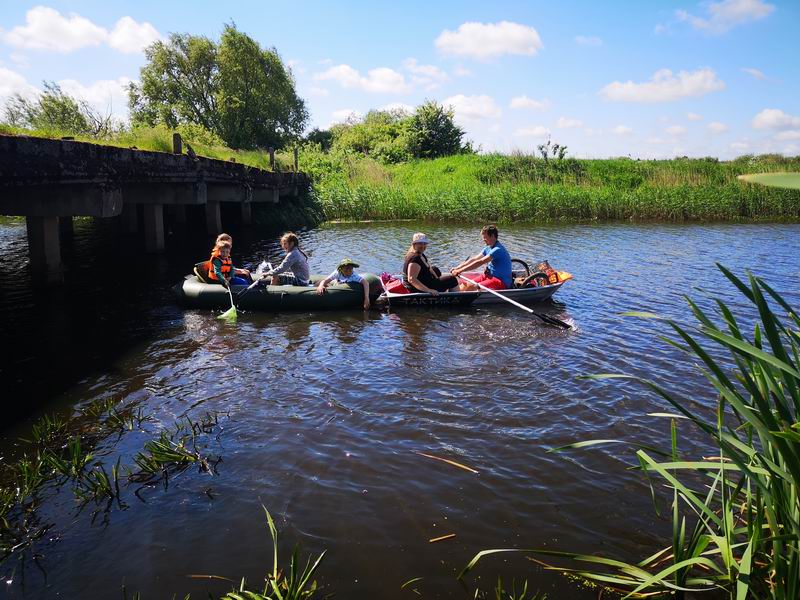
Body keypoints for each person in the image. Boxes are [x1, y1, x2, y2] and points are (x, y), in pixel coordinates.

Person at [450, 225, 513, 291]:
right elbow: (474, 259)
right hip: (488, 276)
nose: (483, 239)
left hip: (500, 282)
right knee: (465, 285)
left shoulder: (498, 249)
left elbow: (481, 262)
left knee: (471, 287)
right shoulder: (488, 248)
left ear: (492, 236)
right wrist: (458, 268)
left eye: (485, 237)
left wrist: (460, 271)